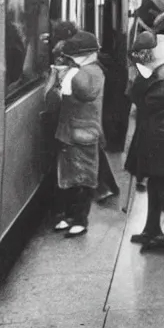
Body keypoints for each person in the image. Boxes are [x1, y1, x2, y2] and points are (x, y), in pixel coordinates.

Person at [124, 32, 164, 249]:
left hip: (163, 138)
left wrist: (137, 74)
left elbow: (138, 97)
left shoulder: (163, 84)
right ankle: (152, 228)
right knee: (156, 182)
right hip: (157, 136)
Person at [46, 31, 104, 238]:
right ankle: (74, 218)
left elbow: (56, 99)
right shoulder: (95, 72)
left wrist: (60, 77)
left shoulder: (82, 74)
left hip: (73, 132)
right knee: (80, 178)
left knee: (74, 178)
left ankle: (76, 218)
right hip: (82, 132)